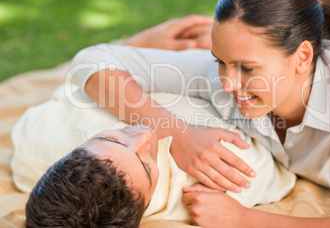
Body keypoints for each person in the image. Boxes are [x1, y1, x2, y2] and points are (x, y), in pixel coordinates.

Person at [69, 0, 330, 228]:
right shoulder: (227, 78)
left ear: (302, 57)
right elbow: (93, 62)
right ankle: (329, 15)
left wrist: (243, 220)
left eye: (246, 67)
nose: (227, 83)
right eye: (220, 59)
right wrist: (176, 131)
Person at [14, 87, 295, 227]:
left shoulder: (31, 148)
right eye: (147, 164)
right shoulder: (217, 177)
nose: (147, 134)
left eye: (111, 138)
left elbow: (71, 89)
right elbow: (284, 165)